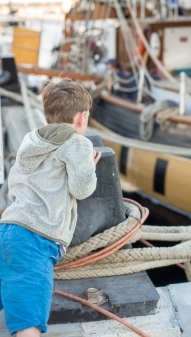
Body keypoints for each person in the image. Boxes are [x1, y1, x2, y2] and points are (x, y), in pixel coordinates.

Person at [0, 78, 101, 337]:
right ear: (82, 117)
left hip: (9, 229)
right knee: (29, 319)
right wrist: (89, 165)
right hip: (36, 238)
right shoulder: (78, 143)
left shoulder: (30, 140)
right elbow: (82, 189)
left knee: (11, 293)